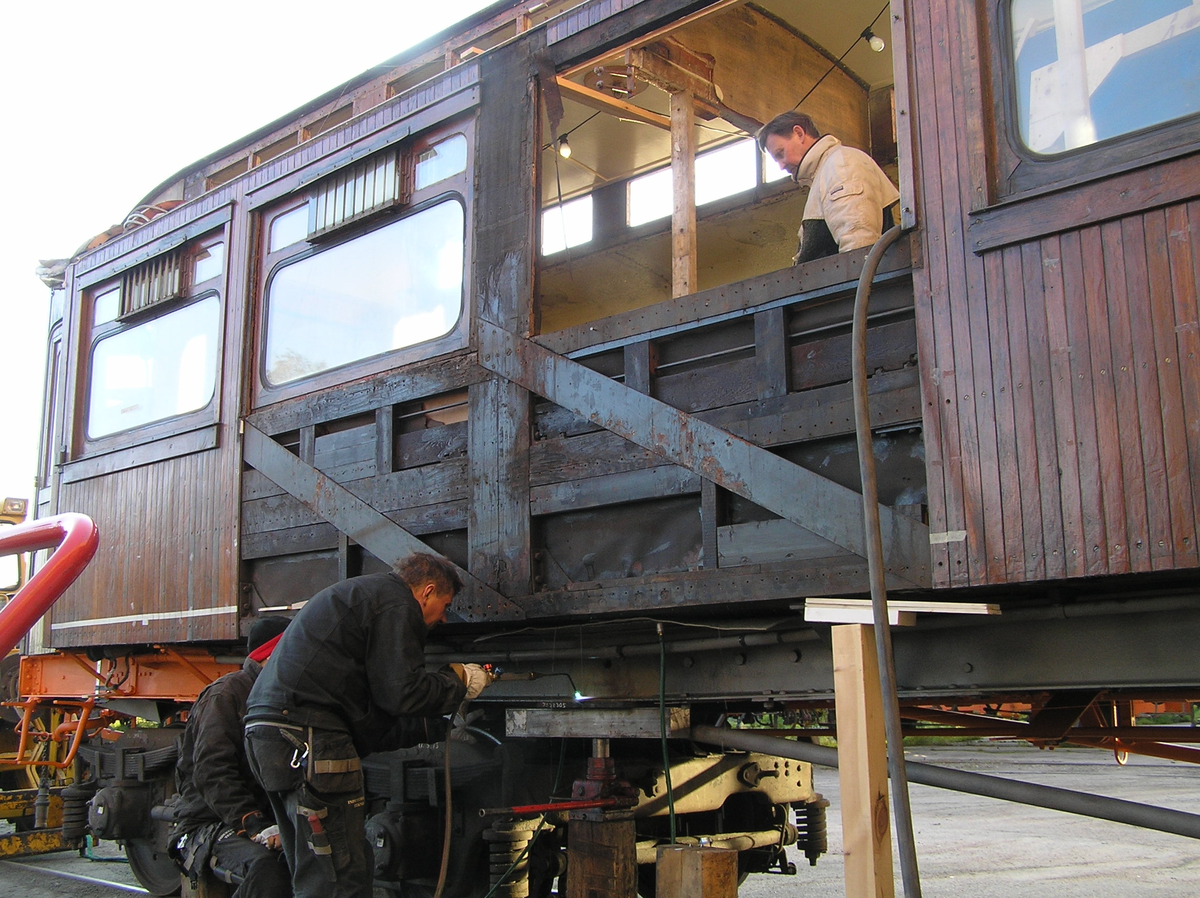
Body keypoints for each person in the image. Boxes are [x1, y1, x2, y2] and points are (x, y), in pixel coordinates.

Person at [243, 553, 493, 898]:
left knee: (315, 871)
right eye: (444, 604)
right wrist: (459, 680)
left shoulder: (361, 598)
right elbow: (402, 694)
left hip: (271, 736)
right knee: (341, 878)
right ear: (427, 591)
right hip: (308, 737)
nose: (444, 617)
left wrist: (434, 727)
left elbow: (370, 717)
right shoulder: (396, 602)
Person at [171, 616, 293, 898]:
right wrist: (255, 825)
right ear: (273, 654)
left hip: (267, 820)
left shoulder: (282, 696)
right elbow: (212, 771)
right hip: (209, 824)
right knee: (267, 869)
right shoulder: (226, 695)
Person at [756, 111, 900, 265]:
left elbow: (859, 242)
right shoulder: (826, 172)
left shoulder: (841, 164)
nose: (781, 166)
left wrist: (855, 286)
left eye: (780, 153)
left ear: (799, 133)